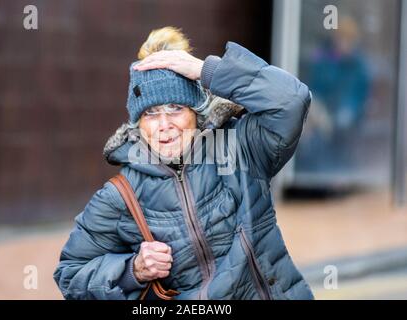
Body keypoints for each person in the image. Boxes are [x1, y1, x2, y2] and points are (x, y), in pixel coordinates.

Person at [53, 26, 314, 300]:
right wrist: (133, 270)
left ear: (196, 113)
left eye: (176, 108)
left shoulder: (241, 148)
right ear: (137, 124)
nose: (164, 125)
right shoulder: (120, 195)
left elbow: (292, 101)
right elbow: (70, 275)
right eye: (151, 113)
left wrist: (207, 71)